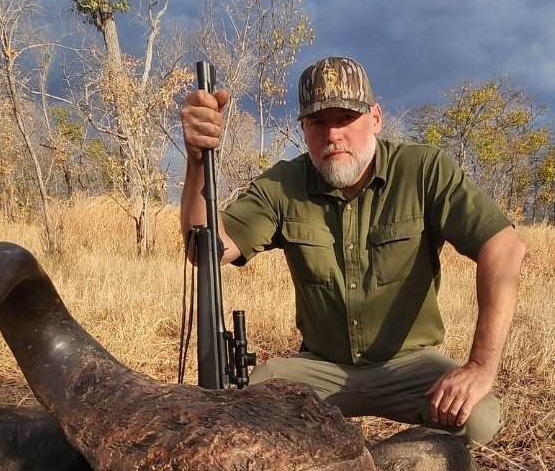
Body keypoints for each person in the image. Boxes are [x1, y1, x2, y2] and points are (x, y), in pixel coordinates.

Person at [179, 56, 526, 445]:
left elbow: (504, 246)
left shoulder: (424, 169)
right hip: (319, 367)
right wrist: (196, 161)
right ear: (303, 129)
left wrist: (480, 366)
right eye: (318, 122)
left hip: (408, 363)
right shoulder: (283, 183)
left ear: (375, 118)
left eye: (345, 118)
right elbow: (206, 247)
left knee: (477, 418)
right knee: (236, 412)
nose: (332, 135)